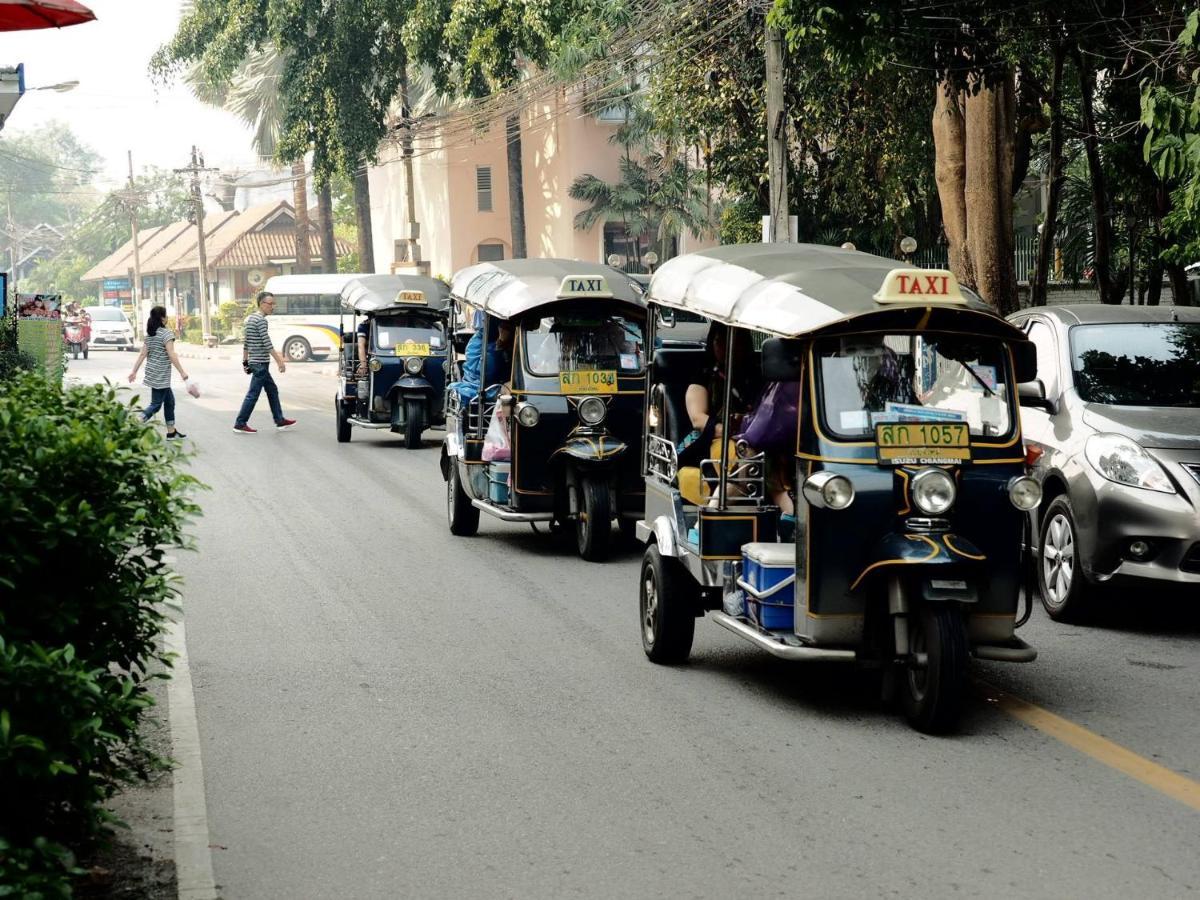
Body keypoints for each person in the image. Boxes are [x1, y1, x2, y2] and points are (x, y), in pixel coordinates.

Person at [233, 291, 296, 434]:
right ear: (262, 304)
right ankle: (240, 423)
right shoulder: (261, 320)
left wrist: (245, 361)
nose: (273, 306)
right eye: (270, 304)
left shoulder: (249, 319)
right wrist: (280, 361)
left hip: (256, 362)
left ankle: (279, 420)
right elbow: (266, 342)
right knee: (253, 394)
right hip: (260, 363)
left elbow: (246, 342)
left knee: (272, 390)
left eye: (274, 303)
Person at [128, 305, 189, 439]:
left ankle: (171, 432)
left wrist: (134, 371)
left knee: (169, 402)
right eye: (166, 315)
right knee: (155, 405)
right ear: (162, 318)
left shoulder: (150, 334)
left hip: (153, 373)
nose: (167, 318)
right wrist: (182, 373)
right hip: (161, 375)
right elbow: (172, 354)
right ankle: (137, 421)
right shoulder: (166, 333)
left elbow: (142, 354)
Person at [450, 317, 513, 402]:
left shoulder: (494, 341)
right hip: (479, 385)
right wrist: (499, 345)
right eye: (504, 327)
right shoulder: (480, 341)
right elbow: (484, 370)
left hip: (490, 382)